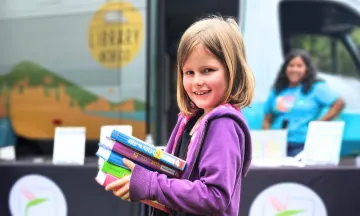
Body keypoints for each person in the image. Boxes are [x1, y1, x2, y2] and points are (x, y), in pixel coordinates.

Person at [105, 15, 255, 216]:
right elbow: (175, 179)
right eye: (189, 72)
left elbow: (214, 196)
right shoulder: (191, 120)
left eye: (208, 70)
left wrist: (151, 183)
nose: (197, 81)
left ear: (232, 72)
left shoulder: (223, 124)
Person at [262, 49, 345, 157]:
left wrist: (318, 124)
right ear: (285, 68)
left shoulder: (316, 88)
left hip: (302, 145)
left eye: (299, 66)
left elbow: (339, 103)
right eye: (291, 65)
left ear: (307, 69)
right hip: (276, 145)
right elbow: (267, 118)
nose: (294, 69)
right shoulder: (278, 89)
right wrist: (267, 139)